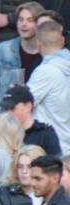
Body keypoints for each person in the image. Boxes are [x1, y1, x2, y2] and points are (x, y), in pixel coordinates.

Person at [0, 1, 45, 106]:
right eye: (21, 19)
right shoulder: (4, 49)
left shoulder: (47, 54)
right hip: (7, 112)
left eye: (30, 20)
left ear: (38, 24)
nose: (24, 24)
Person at [27, 20, 70, 154]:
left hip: (52, 148)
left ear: (38, 44)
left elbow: (25, 103)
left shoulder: (44, 72)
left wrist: (17, 91)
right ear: (62, 41)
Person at [1, 84, 62, 156]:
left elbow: (56, 162)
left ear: (28, 106)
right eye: (6, 109)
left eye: (13, 108)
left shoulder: (45, 135)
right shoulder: (3, 134)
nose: (9, 113)